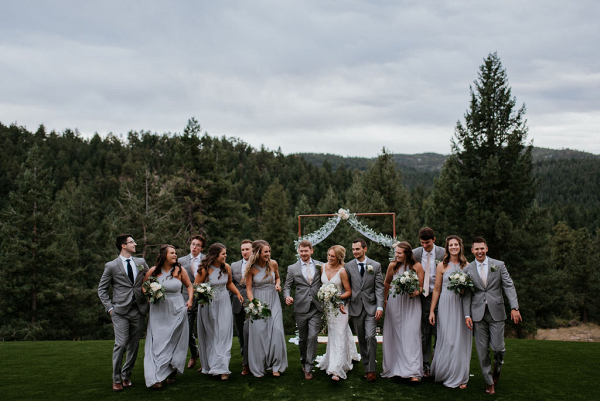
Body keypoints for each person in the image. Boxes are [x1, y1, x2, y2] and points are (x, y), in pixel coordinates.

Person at [462, 237, 521, 395]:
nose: (480, 251)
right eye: (477, 249)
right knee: (482, 352)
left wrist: (514, 307)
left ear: (486, 249)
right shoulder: (468, 269)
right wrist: (467, 314)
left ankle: (498, 368)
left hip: (497, 312)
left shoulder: (499, 265)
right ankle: (489, 382)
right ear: (472, 251)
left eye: (482, 248)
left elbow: (508, 286)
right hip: (477, 314)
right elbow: (467, 294)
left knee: (498, 348)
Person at [98, 234, 149, 391]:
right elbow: (102, 289)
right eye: (132, 242)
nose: (135, 243)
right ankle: (116, 379)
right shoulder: (111, 266)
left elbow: (150, 279)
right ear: (123, 246)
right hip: (119, 311)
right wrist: (110, 308)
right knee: (120, 344)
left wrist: (150, 296)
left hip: (138, 310)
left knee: (134, 346)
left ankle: (126, 376)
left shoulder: (141, 262)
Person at [143, 245, 193, 388]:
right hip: (159, 309)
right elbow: (144, 286)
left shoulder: (179, 270)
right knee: (159, 342)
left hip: (177, 308)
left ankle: (171, 372)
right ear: (164, 255)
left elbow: (189, 285)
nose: (175, 255)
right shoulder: (154, 271)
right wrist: (149, 295)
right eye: (172, 253)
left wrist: (190, 299)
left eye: (176, 253)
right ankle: (156, 376)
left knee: (173, 340)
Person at [195, 243, 244, 381]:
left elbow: (229, 283)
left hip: (223, 302)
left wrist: (237, 293)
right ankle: (212, 366)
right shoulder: (204, 269)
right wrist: (203, 296)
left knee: (223, 333)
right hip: (208, 304)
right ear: (215, 256)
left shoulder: (226, 267)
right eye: (223, 254)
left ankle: (223, 368)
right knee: (212, 334)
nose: (225, 256)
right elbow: (196, 286)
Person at [428, 235, 471, 389]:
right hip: (445, 304)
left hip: (460, 304)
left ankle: (459, 376)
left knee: (459, 340)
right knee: (447, 338)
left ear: (460, 246)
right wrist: (432, 311)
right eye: (451, 245)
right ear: (447, 248)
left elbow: (470, 290)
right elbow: (437, 290)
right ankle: (445, 372)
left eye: (456, 245)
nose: (453, 247)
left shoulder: (467, 265)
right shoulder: (441, 266)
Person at [315, 245, 360, 381]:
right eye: (328, 255)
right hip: (328, 308)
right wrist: (323, 295)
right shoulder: (322, 267)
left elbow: (348, 291)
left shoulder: (342, 271)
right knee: (334, 333)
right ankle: (348, 354)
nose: (329, 258)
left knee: (340, 332)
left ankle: (337, 369)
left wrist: (337, 297)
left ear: (339, 257)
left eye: (332, 256)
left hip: (340, 307)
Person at [382, 241, 424, 382]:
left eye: (399, 253)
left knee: (411, 336)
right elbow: (387, 283)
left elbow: (422, 288)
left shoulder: (417, 267)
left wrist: (415, 293)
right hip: (395, 303)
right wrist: (384, 300)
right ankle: (396, 369)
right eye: (396, 252)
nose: (397, 255)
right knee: (396, 335)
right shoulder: (393, 266)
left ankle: (413, 371)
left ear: (407, 253)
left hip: (412, 304)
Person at [245, 240, 288, 377]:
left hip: (273, 300)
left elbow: (278, 278)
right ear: (258, 253)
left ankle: (276, 366)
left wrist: (277, 285)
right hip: (259, 301)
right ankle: (259, 366)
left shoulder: (273, 264)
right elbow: (249, 289)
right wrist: (254, 303)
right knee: (259, 333)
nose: (268, 254)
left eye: (269, 251)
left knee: (277, 330)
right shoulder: (251, 268)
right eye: (265, 252)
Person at [283, 240, 324, 380]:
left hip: (317, 307)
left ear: (311, 251)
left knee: (312, 336)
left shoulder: (321, 265)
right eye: (301, 251)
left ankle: (309, 367)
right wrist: (287, 296)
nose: (304, 254)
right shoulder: (292, 268)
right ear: (298, 252)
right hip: (300, 307)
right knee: (303, 338)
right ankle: (303, 359)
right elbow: (287, 286)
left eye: (306, 251)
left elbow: (326, 280)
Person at [345, 238, 384, 383]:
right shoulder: (348, 266)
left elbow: (379, 288)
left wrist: (380, 306)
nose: (355, 252)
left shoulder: (375, 265)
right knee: (361, 340)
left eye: (357, 249)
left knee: (370, 337)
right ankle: (366, 368)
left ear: (365, 249)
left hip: (371, 308)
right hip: (355, 308)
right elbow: (346, 287)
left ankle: (372, 370)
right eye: (353, 249)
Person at [412, 227, 445, 378]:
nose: (424, 246)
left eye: (427, 243)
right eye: (422, 243)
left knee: (440, 331)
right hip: (423, 297)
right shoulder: (415, 253)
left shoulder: (444, 253)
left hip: (442, 297)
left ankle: (438, 363)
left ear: (434, 240)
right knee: (425, 332)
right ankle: (425, 365)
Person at [178, 235, 206, 369]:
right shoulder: (181, 260)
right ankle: (194, 354)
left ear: (202, 248)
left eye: (197, 245)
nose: (194, 247)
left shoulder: (207, 260)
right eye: (193, 244)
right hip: (186, 299)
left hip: (203, 299)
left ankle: (205, 361)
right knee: (187, 330)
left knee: (204, 330)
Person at [231, 239, 252, 359]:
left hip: (252, 304)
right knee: (241, 334)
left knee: (250, 333)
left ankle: (254, 359)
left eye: (247, 249)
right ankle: (245, 360)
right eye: (243, 250)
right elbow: (230, 283)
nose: (244, 252)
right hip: (237, 304)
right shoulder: (234, 265)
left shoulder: (257, 265)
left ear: (252, 250)